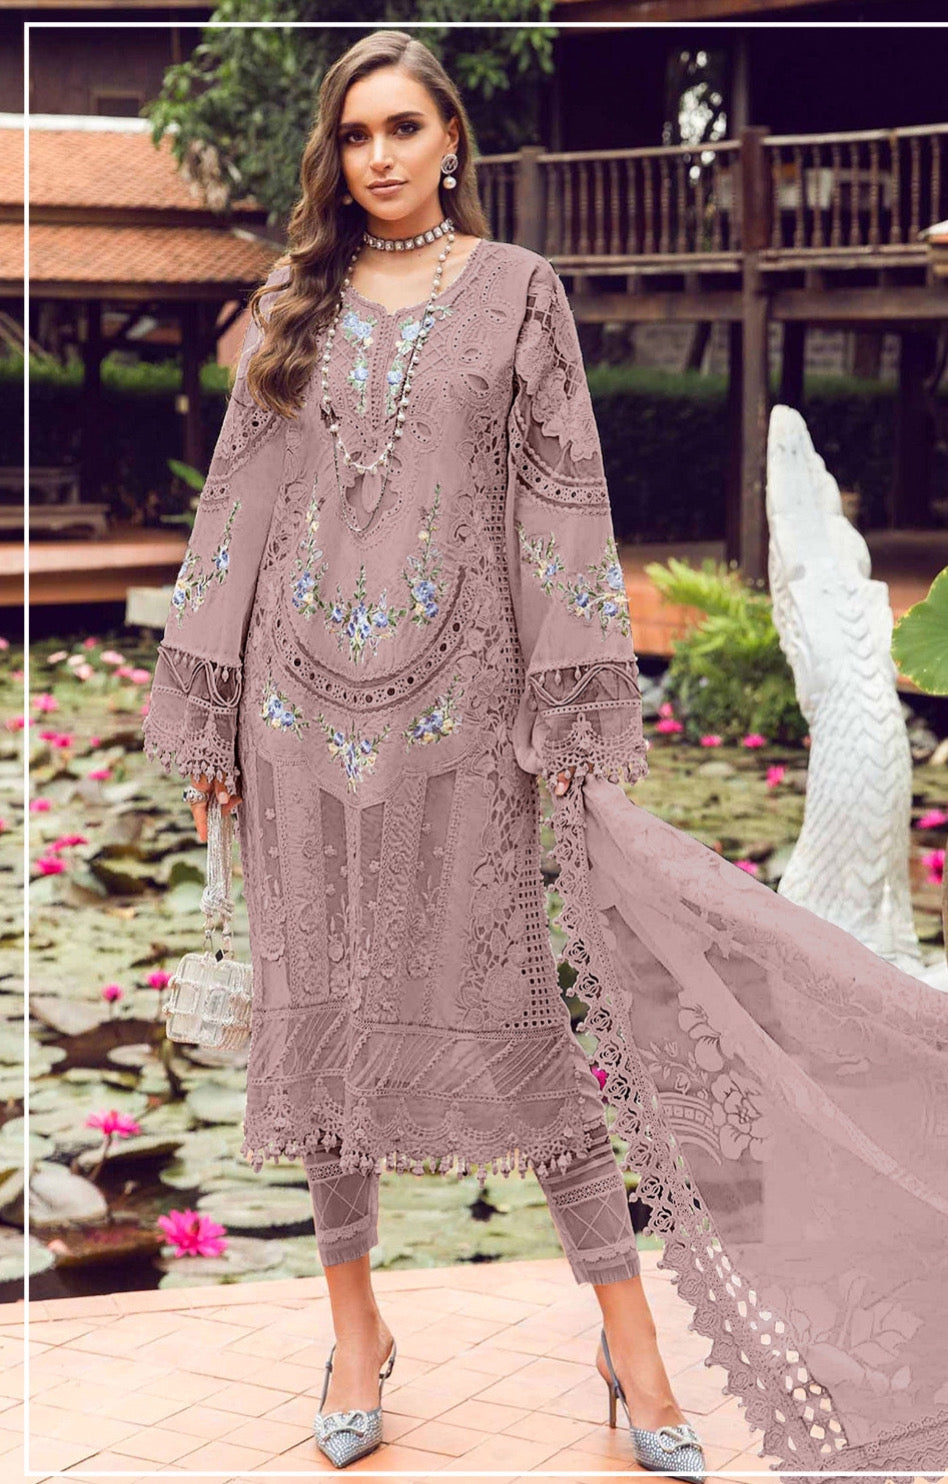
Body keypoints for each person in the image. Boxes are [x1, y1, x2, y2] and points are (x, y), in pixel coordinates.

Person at [143, 29, 948, 1482]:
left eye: (402, 127)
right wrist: (202, 709)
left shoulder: (521, 292)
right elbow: (236, 510)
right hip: (295, 717)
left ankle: (632, 1345)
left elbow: (560, 503)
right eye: (354, 135)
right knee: (321, 1022)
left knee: (526, 1024)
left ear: (452, 136)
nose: (378, 157)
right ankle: (354, 1335)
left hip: (467, 718)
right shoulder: (291, 307)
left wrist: (570, 708)